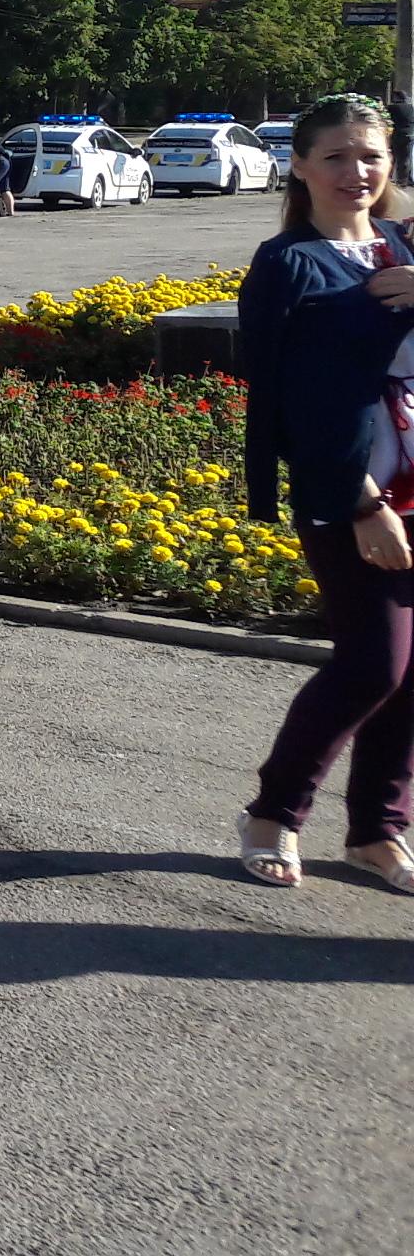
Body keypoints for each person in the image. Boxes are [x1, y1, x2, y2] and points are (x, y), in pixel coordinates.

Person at [234, 94, 414, 896]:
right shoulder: (290, 264)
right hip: (353, 494)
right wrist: (363, 505)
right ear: (299, 166)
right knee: (372, 666)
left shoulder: (403, 246)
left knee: (412, 674)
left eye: (370, 155)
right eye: (336, 156)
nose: (356, 172)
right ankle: (274, 812)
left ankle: (377, 830)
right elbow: (297, 406)